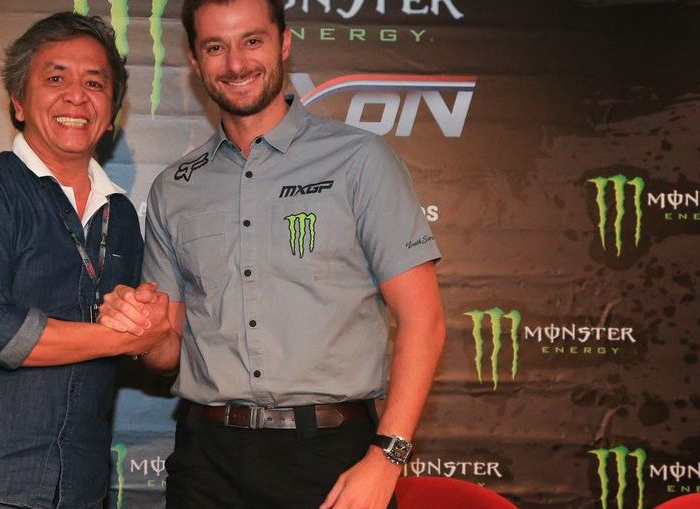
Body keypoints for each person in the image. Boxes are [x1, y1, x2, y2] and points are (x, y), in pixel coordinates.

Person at [97, 0, 446, 507]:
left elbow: (424, 320)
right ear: (194, 59)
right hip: (206, 461)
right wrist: (141, 330)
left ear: (284, 43)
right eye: (215, 47)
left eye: (252, 41)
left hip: (330, 458)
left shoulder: (359, 160)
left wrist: (386, 458)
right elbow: (167, 352)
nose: (236, 64)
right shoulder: (175, 188)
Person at [0, 12, 168, 509]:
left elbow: (145, 337)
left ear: (112, 112)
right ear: (18, 101)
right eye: (55, 79)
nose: (76, 96)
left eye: (94, 83)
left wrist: (142, 315)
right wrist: (123, 337)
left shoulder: (119, 215)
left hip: (80, 487)